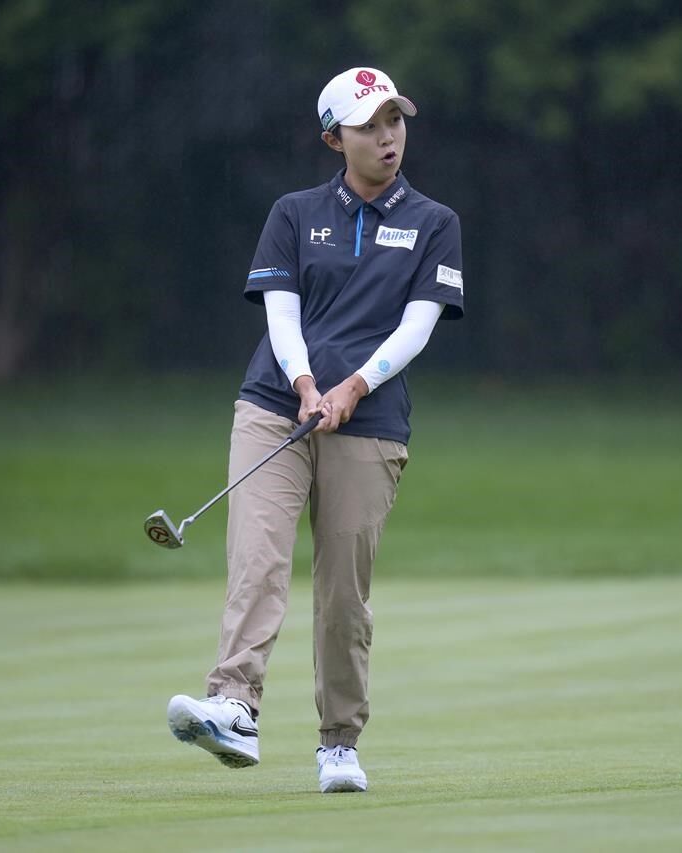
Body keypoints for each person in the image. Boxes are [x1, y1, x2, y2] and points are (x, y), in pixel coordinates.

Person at [166, 67, 464, 794]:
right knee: (258, 558)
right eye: (369, 125)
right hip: (275, 404)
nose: (387, 135)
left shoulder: (435, 223)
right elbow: (281, 314)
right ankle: (234, 706)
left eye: (395, 120)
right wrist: (305, 384)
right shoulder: (294, 214)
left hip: (372, 423)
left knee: (342, 591)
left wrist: (355, 384)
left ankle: (339, 741)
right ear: (335, 137)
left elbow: (418, 327)